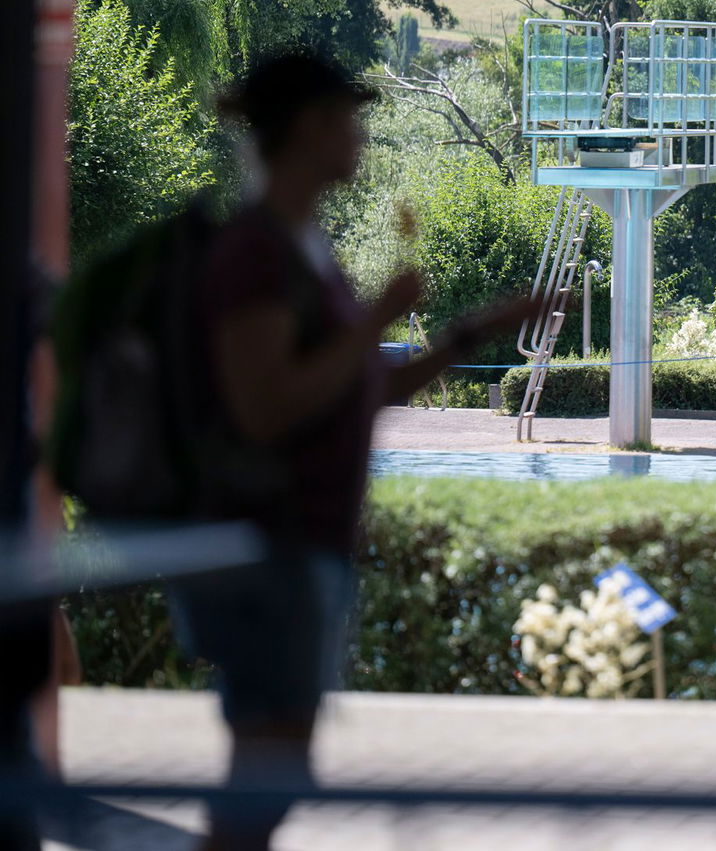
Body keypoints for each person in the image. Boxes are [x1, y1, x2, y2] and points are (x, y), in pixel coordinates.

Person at [169, 53, 549, 850]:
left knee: (271, 768)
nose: (361, 135)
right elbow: (268, 406)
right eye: (350, 117)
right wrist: (375, 316)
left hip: (302, 542)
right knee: (267, 771)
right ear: (309, 127)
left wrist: (473, 328)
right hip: (265, 546)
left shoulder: (301, 247)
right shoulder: (256, 253)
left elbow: (367, 388)